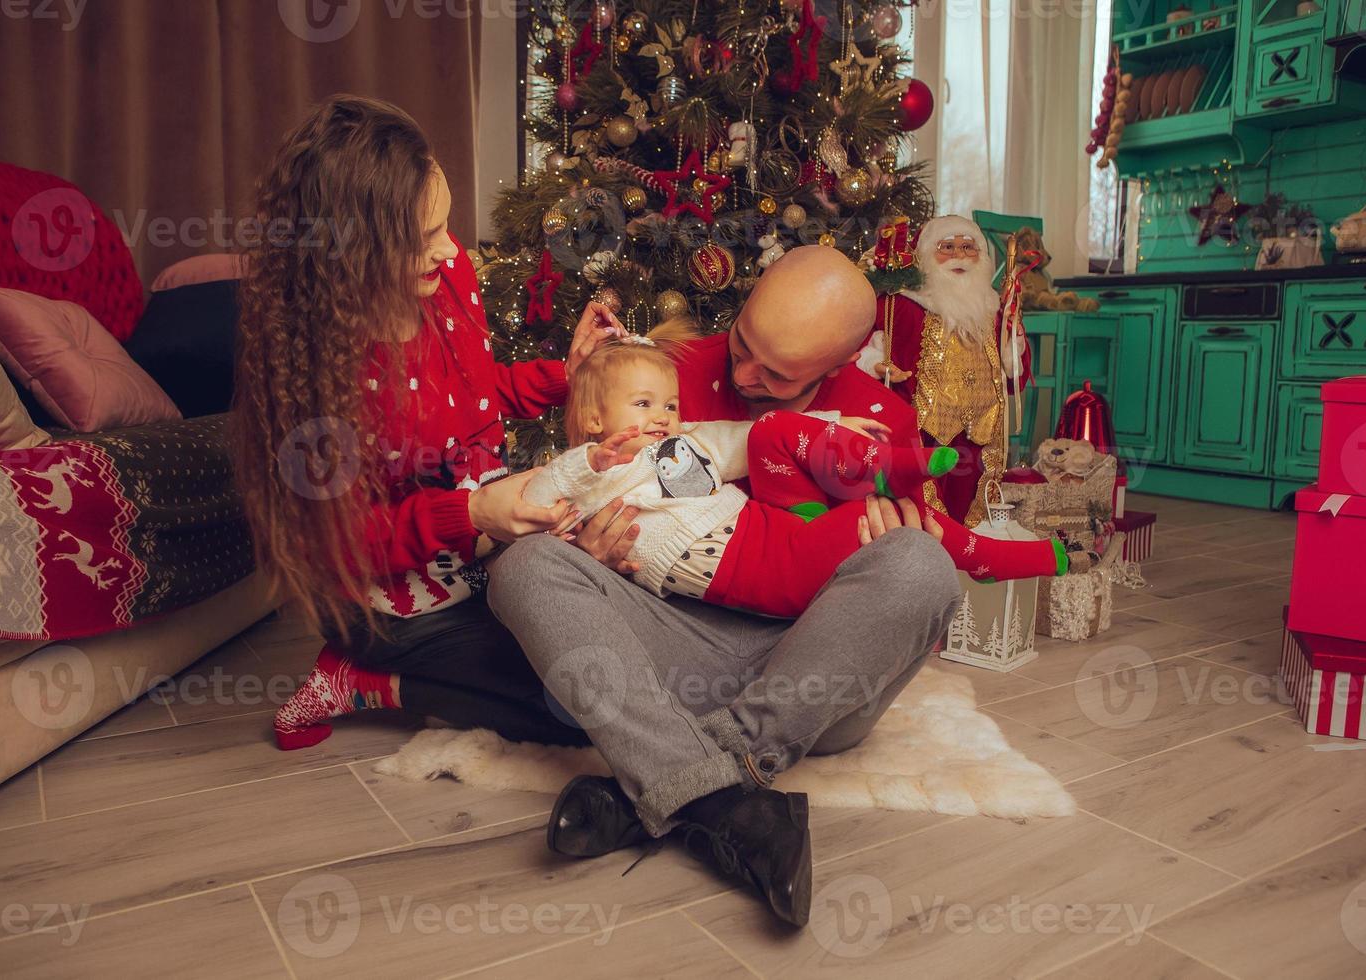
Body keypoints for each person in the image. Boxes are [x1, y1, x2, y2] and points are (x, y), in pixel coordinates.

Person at [487, 246, 962, 927]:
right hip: (674, 647)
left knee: (921, 563)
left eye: (777, 374)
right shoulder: (662, 373)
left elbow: (905, 601)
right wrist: (584, 551)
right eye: (743, 344)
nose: (743, 374)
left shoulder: (880, 418)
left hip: (810, 680)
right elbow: (570, 479)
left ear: (835, 369)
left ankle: (677, 781)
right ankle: (732, 806)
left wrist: (882, 540)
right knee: (524, 567)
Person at [231, 94, 626, 750]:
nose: (449, 250)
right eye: (421, 238)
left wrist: (570, 374)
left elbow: (471, 399)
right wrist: (468, 514)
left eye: (446, 224)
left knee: (609, 655)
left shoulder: (448, 278)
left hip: (481, 556)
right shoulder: (315, 364)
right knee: (578, 706)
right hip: (392, 603)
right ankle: (365, 679)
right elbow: (340, 541)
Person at [525, 322, 1067, 619]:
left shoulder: (683, 445)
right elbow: (544, 495)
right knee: (873, 521)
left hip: (772, 527)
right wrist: (589, 460)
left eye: (669, 404)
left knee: (768, 431)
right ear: (595, 417)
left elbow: (746, 438)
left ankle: (886, 467)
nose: (665, 416)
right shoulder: (588, 475)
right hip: (757, 573)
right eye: (644, 405)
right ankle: (987, 555)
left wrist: (837, 421)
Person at [858, 215, 1032, 526]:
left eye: (968, 247)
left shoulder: (993, 308)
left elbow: (1013, 369)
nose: (959, 255)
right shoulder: (903, 304)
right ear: (926, 253)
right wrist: (875, 363)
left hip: (981, 429)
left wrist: (1013, 340)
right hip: (924, 429)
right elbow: (866, 342)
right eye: (947, 247)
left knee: (971, 499)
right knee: (925, 499)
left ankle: (971, 550)